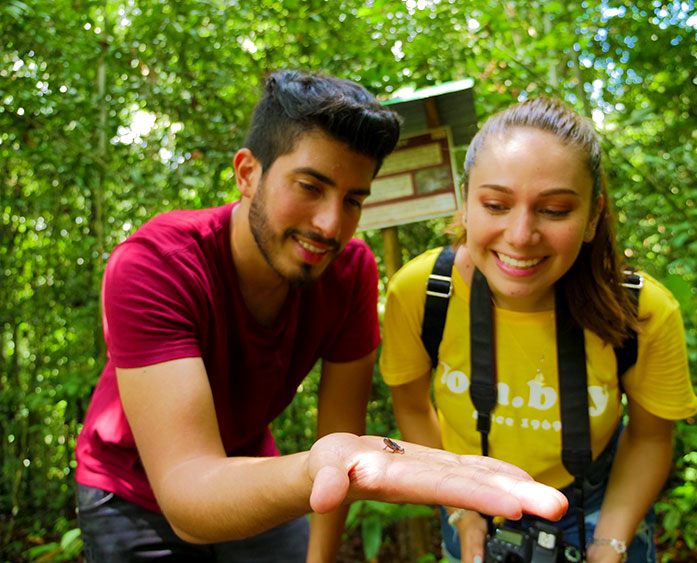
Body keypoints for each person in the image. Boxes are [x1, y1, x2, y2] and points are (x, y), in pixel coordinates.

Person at [74, 70, 568, 563]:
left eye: (353, 200)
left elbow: (339, 445)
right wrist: (318, 469)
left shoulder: (349, 273)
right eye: (310, 187)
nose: (331, 225)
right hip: (131, 494)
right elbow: (188, 493)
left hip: (249, 468)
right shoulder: (156, 264)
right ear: (247, 174)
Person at [380, 97, 697, 563]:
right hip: (471, 498)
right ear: (465, 203)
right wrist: (459, 509)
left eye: (554, 210)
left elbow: (650, 437)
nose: (521, 234)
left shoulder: (641, 310)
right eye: (495, 204)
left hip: (596, 501)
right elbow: (410, 405)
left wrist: (610, 544)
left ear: (592, 217)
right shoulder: (423, 293)